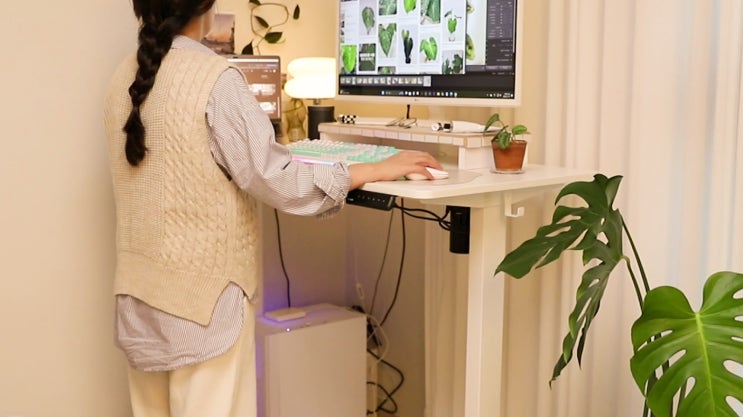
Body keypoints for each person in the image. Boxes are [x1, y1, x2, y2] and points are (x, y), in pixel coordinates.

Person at [103, 1, 442, 416]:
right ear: (205, 7)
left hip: (140, 299)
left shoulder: (125, 75)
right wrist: (369, 169)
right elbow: (275, 178)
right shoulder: (215, 80)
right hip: (204, 306)